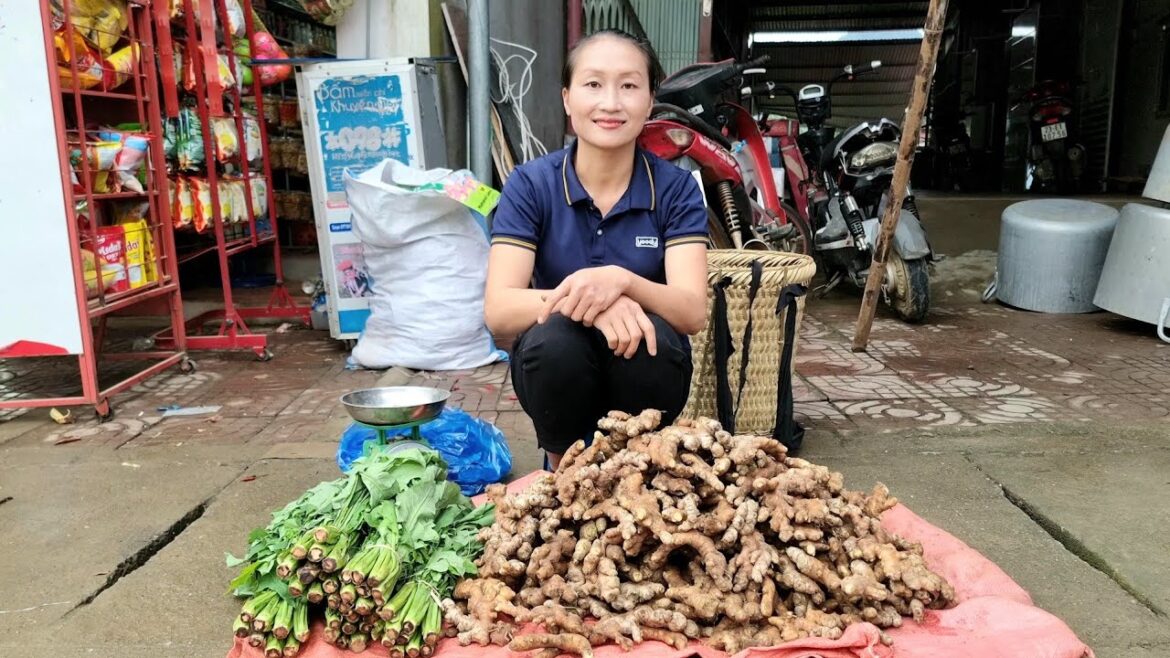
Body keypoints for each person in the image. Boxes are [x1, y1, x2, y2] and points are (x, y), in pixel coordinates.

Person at [484, 29, 709, 469]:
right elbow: (499, 308)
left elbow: (691, 311)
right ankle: (564, 469)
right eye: (593, 84)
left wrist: (622, 282)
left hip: (646, 374)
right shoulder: (531, 184)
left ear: (649, 101)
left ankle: (642, 466)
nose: (611, 103)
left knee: (654, 343)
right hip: (559, 369)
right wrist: (592, 303)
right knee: (552, 342)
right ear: (568, 100)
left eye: (628, 85)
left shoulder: (677, 188)